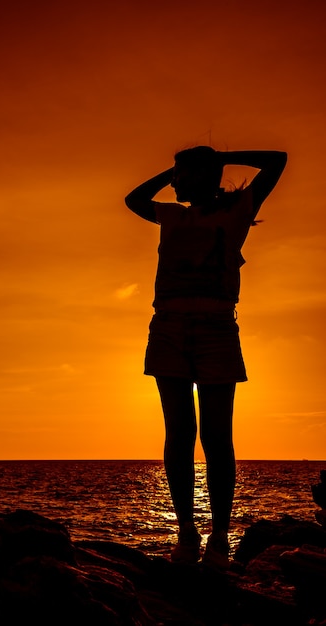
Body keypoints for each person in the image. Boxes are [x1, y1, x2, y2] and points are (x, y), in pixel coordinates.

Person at [125, 146, 287, 570]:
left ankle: (218, 536)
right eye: (173, 174)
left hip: (216, 327)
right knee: (178, 432)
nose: (174, 182)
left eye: (180, 174)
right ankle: (186, 533)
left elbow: (277, 160)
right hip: (169, 327)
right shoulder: (172, 215)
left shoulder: (235, 211)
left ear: (204, 174)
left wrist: (222, 156)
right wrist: (175, 169)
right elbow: (133, 200)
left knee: (217, 436)